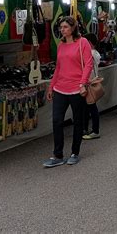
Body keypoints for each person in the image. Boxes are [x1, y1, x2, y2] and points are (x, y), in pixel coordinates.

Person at [44, 16, 93, 167]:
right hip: (60, 88)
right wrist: (51, 86)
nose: (62, 29)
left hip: (76, 89)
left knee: (78, 121)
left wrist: (82, 83)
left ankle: (74, 152)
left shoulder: (82, 42)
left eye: (65, 27)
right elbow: (58, 67)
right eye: (61, 27)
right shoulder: (61, 45)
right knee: (57, 121)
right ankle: (57, 154)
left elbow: (88, 64)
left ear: (73, 28)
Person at [82, 33, 101, 140]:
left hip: (88, 83)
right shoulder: (96, 53)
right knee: (88, 107)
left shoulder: (91, 53)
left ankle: (95, 130)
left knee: (90, 107)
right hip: (91, 82)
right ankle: (86, 128)